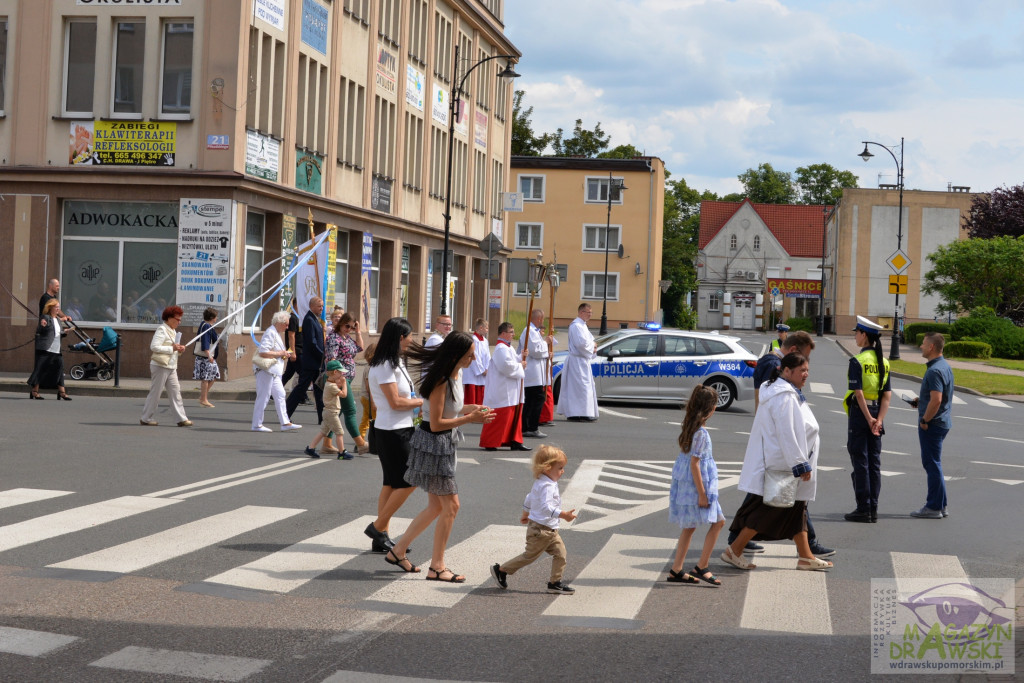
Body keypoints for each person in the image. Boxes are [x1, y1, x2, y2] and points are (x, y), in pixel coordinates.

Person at [385, 332, 495, 581]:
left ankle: (398, 550)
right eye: (469, 354)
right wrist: (470, 418)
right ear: (456, 355)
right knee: (451, 506)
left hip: (443, 443)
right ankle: (437, 566)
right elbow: (435, 423)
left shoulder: (458, 373)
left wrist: (471, 409)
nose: (474, 358)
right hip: (434, 444)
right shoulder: (440, 380)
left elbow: (450, 410)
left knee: (437, 506)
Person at [721, 353, 833, 572]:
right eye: (802, 370)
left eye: (807, 370)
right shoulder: (785, 396)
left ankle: (805, 556)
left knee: (797, 509)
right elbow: (787, 433)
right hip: (783, 465)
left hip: (783, 463)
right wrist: (800, 464)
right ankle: (734, 550)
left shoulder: (783, 391)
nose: (806, 374)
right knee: (768, 511)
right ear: (787, 371)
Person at [364, 317, 424, 554]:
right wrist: (421, 401)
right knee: (410, 480)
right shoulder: (385, 365)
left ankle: (381, 536)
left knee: (390, 483)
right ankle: (378, 528)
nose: (412, 340)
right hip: (392, 430)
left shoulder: (393, 361)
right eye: (410, 336)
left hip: (398, 427)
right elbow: (395, 401)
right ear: (400, 337)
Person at [490, 445, 577, 594]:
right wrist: (564, 515)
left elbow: (529, 497)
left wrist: (525, 513)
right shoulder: (547, 486)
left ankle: (555, 582)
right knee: (529, 556)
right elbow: (545, 507)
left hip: (549, 530)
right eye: (560, 468)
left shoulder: (543, 482)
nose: (562, 471)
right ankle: (501, 570)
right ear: (547, 468)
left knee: (561, 554)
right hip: (541, 531)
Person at [666, 385, 725, 586]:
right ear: (710, 409)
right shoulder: (701, 433)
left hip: (687, 483)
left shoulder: (690, 425)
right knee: (718, 522)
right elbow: (695, 463)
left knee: (689, 526)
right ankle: (702, 566)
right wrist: (702, 493)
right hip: (697, 485)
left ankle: (676, 569)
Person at [844, 316, 891, 523]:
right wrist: (878, 420)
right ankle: (873, 508)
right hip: (877, 416)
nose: (855, 335)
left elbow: (859, 393)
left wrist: (869, 418)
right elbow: (887, 395)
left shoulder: (858, 361)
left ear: (864, 335)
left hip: (861, 415)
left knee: (860, 461)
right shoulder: (884, 362)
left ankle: (863, 508)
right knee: (874, 462)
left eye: (856, 332)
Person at [909, 332, 954, 519]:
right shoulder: (944, 366)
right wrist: (921, 400)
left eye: (923, 344)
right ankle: (941, 505)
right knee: (935, 463)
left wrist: (925, 420)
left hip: (933, 424)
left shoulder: (935, 370)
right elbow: (936, 397)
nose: (920, 346)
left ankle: (934, 507)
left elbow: (937, 400)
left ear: (932, 347)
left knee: (932, 464)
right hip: (942, 421)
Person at [479, 322, 530, 452]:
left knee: (513, 416)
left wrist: (520, 358)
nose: (513, 334)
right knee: (500, 417)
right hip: (502, 389)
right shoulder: (501, 348)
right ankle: (490, 441)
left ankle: (514, 440)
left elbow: (511, 362)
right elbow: (506, 367)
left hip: (511, 388)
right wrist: (520, 366)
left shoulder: (508, 347)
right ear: (503, 333)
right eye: (511, 332)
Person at [325, 312, 370, 454]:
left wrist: (358, 332)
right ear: (340, 323)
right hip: (341, 379)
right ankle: (360, 443)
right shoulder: (334, 337)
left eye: (351, 327)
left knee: (336, 412)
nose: (348, 329)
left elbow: (360, 348)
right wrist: (338, 379)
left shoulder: (347, 337)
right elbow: (331, 360)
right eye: (347, 326)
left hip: (347, 378)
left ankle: (326, 443)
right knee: (350, 410)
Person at [251, 310, 302, 433]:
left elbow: (273, 352)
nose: (287, 327)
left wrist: (283, 355)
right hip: (266, 371)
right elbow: (263, 351)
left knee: (280, 395)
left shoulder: (275, 332)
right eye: (286, 324)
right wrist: (281, 353)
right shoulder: (271, 332)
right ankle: (257, 424)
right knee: (263, 397)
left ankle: (285, 422)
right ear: (279, 322)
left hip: (273, 372)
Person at [140, 306, 191, 427]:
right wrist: (172, 348)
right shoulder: (162, 329)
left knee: (175, 392)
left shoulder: (172, 331)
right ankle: (146, 418)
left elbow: (173, 349)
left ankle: (181, 419)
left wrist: (179, 349)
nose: (179, 322)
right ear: (169, 318)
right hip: (160, 365)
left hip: (171, 366)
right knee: (156, 393)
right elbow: (154, 347)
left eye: (180, 320)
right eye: (177, 319)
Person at [286, 296, 325, 423]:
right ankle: (285, 413)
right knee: (301, 389)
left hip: (316, 364)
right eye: (319, 306)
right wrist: (322, 355)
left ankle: (322, 418)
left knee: (319, 391)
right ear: (312, 306)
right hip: (311, 363)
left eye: (322, 306)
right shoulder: (309, 319)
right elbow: (312, 342)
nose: (322, 308)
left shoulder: (315, 319)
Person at [557, 303, 598, 422]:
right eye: (588, 312)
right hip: (577, 361)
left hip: (583, 360)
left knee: (585, 386)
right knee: (579, 387)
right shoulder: (576, 326)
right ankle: (576, 413)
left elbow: (590, 341)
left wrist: (593, 346)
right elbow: (581, 344)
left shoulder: (583, 325)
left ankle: (585, 412)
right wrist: (593, 346)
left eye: (591, 312)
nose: (590, 314)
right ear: (581, 312)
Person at [305, 360, 352, 460]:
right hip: (332, 413)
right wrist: (344, 384)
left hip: (327, 412)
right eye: (340, 372)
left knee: (323, 432)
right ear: (335, 372)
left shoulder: (329, 383)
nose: (341, 375)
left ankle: (311, 448)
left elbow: (335, 388)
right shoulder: (331, 386)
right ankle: (342, 452)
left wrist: (339, 383)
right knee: (340, 432)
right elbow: (344, 394)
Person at [520, 309, 554, 438]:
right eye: (542, 319)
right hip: (532, 373)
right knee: (535, 399)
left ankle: (528, 426)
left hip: (537, 373)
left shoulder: (534, 332)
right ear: (539, 319)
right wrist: (545, 343)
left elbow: (540, 350)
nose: (543, 321)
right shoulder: (529, 331)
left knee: (533, 400)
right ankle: (531, 427)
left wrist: (547, 353)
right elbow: (535, 351)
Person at [28, 299, 71, 400]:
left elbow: (57, 333)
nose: (58, 309)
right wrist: (42, 326)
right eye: (56, 307)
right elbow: (40, 329)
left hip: (56, 349)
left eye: (58, 307)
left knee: (60, 370)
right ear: (50, 307)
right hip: (46, 349)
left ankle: (62, 392)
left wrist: (65, 332)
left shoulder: (58, 320)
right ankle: (34, 391)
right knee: (40, 370)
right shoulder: (45, 318)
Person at [193, 307, 221, 408]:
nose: (217, 318)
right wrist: (209, 355)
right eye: (216, 317)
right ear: (212, 317)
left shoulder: (205, 325)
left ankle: (202, 397)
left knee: (213, 376)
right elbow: (205, 341)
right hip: (205, 357)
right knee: (206, 378)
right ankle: (204, 399)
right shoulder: (206, 326)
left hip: (207, 356)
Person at [463, 318, 490, 405]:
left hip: (483, 375)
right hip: (472, 374)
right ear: (481, 328)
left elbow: (488, 356)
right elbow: (474, 357)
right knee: (472, 400)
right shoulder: (472, 340)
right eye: (486, 328)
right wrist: (482, 371)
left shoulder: (485, 341)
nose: (487, 330)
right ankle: (470, 417)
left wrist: (487, 368)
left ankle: (480, 416)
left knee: (481, 399)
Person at [359, 341, 378, 445]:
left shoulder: (368, 366)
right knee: (375, 419)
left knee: (365, 419)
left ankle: (360, 440)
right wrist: (373, 402)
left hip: (365, 397)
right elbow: (369, 386)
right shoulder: (371, 368)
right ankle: (375, 441)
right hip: (369, 398)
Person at [281, 300, 302, 389]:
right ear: (296, 305)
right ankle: (302, 396)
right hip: (296, 350)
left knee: (288, 374)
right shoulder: (293, 318)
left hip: (297, 350)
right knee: (303, 374)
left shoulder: (299, 318)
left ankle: (272, 393)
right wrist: (293, 352)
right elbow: (291, 335)